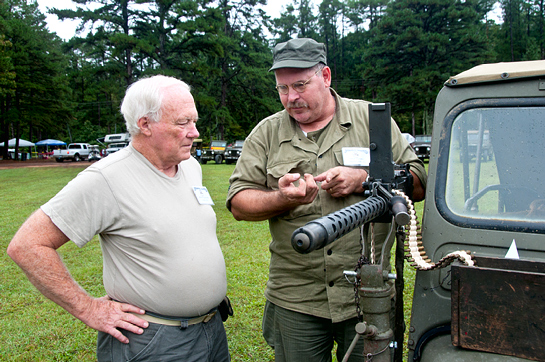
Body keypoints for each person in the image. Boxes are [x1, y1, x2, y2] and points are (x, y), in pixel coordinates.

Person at [226, 38, 427, 362]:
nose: (291, 97)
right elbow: (239, 203)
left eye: (301, 85)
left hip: (368, 291)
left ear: (327, 77)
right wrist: (283, 197)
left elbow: (418, 182)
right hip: (296, 298)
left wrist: (364, 179)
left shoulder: (371, 120)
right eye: (283, 88)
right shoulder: (266, 132)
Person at [7, 75, 230, 362]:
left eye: (194, 121)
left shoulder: (190, 167)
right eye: (182, 122)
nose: (194, 132)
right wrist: (88, 309)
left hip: (211, 331)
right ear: (145, 124)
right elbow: (27, 245)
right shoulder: (106, 178)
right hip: (153, 342)